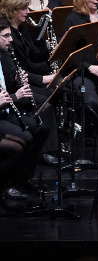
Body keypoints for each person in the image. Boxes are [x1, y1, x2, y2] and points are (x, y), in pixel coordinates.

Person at [0, 16, 49, 205]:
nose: (10, 40)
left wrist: (19, 82)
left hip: (7, 110)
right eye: (5, 36)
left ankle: (22, 179)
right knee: (24, 139)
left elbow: (9, 82)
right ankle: (7, 185)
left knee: (41, 129)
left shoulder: (5, 55)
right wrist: (16, 97)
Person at [63, 0, 98, 126]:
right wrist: (90, 67)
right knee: (91, 103)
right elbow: (67, 54)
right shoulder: (73, 19)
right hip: (81, 72)